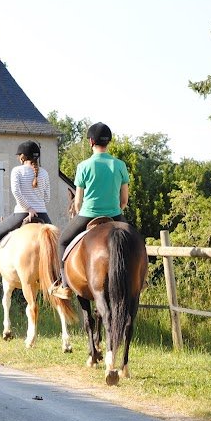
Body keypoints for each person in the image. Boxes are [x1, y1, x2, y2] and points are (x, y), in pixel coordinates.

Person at [50, 122, 129, 299]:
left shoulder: (84, 166)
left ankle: (64, 285)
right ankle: (139, 280)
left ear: (91, 142)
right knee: (135, 241)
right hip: (115, 214)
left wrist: (80, 211)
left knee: (62, 241)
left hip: (88, 214)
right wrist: (116, 209)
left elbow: (77, 202)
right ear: (108, 141)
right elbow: (124, 200)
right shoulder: (120, 165)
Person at [0, 140, 52, 279]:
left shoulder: (17, 171)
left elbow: (16, 192)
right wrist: (37, 205)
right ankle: (58, 274)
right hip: (43, 214)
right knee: (55, 240)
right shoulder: (44, 173)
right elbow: (47, 197)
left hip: (22, 213)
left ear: (22, 157)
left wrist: (28, 208)